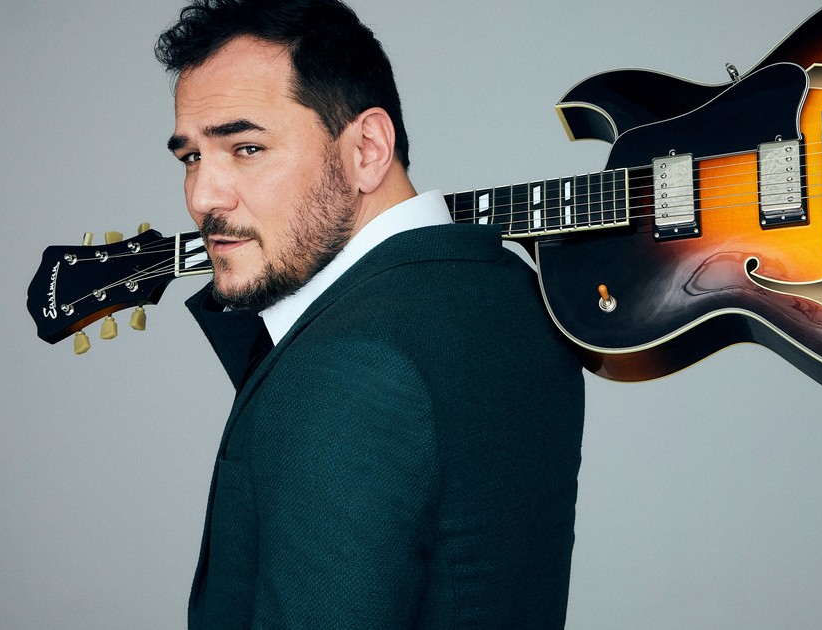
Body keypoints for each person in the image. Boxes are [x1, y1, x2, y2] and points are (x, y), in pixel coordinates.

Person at [155, 0, 587, 627]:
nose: (201, 197)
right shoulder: (515, 293)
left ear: (366, 149)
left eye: (246, 148)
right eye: (191, 157)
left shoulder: (342, 365)